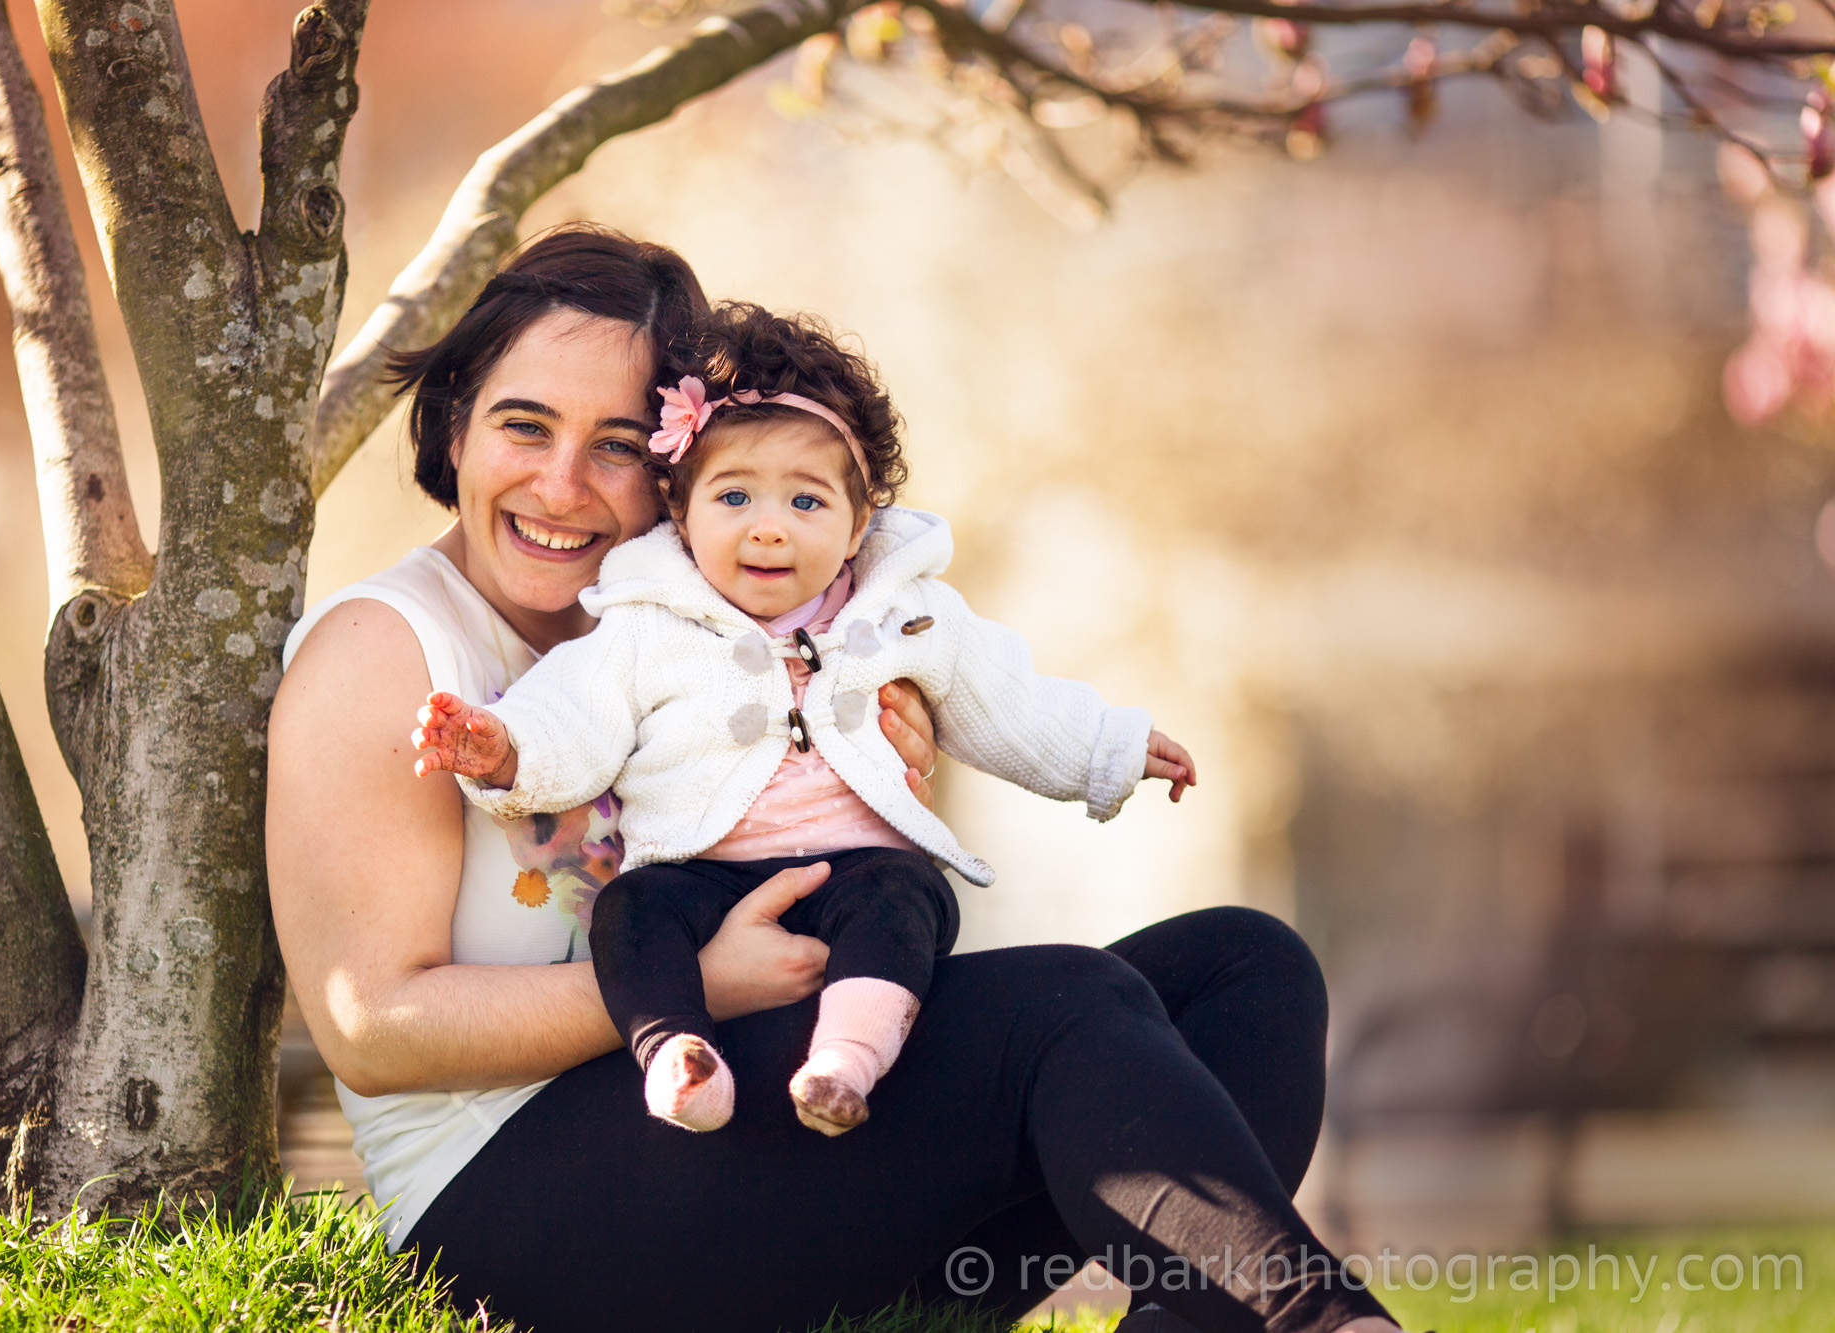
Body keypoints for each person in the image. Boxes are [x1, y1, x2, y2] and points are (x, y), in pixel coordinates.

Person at [267, 223, 1402, 1332]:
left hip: (759, 1120)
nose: (562, 485)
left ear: (676, 471)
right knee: (1060, 1011)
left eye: (615, 444)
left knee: (1244, 971)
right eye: (524, 425)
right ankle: (1315, 1316)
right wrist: (704, 982)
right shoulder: (389, 649)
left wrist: (863, 752)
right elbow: (375, 1028)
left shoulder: (683, 628)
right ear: (455, 425)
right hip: (509, 1210)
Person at [409, 301, 1197, 1140]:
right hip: (702, 875)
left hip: (854, 870)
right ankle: (677, 1053)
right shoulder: (648, 623)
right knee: (630, 914)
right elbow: (574, 712)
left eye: (808, 503)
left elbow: (1007, 698)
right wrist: (502, 747)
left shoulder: (905, 615)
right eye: (736, 495)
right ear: (683, 512)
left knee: (910, 897)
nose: (769, 527)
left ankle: (846, 1060)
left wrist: (1113, 746)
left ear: (861, 523)